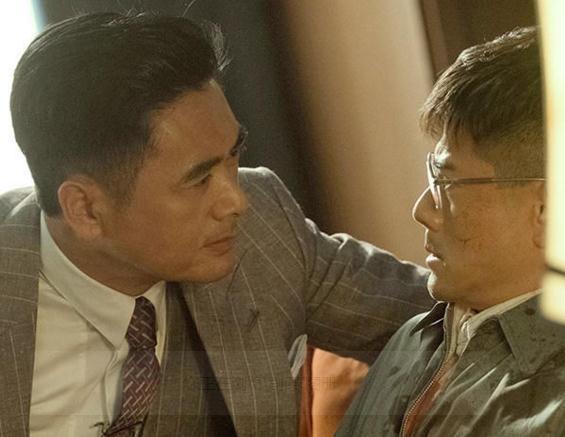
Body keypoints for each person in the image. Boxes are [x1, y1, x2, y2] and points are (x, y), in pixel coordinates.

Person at [0, 12, 432, 437]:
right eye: (199, 179)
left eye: (233, 157)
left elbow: (446, 319)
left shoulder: (265, 228)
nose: (236, 201)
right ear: (86, 210)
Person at [336, 26, 565, 436]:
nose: (423, 211)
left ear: (547, 209)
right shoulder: (413, 338)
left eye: (446, 183)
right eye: (433, 175)